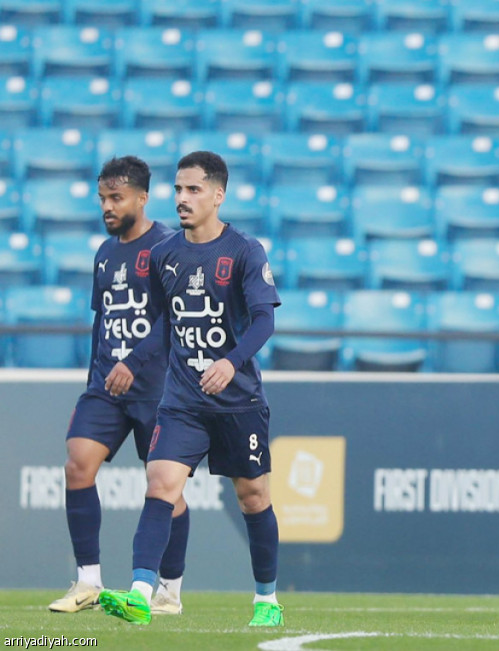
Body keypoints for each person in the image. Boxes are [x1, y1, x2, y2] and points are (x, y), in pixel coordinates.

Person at [98, 151, 283, 627]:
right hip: (182, 401)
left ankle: (267, 600)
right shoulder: (164, 255)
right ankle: (142, 594)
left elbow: (264, 321)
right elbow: (167, 322)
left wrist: (231, 362)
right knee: (160, 485)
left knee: (253, 497)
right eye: (178, 189)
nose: (182, 198)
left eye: (194, 189)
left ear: (218, 195)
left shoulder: (245, 251)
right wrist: (133, 360)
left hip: (237, 400)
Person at [48, 157, 189, 616]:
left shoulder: (167, 247)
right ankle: (88, 581)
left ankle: (169, 589)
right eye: (103, 198)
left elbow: (175, 318)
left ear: (142, 198)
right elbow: (102, 320)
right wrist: (95, 376)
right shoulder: (105, 253)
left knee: (167, 489)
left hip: (158, 389)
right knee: (77, 464)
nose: (107, 207)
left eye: (117, 198)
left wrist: (134, 360)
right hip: (107, 384)